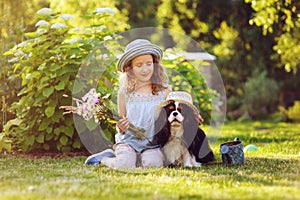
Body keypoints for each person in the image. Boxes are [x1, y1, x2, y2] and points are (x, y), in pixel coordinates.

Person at [85, 39, 171, 168]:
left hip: (152, 144)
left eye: (149, 63)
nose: (145, 69)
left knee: (154, 164)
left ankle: (139, 159)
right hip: (128, 142)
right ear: (130, 69)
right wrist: (121, 127)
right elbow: (121, 123)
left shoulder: (164, 91)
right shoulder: (124, 93)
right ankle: (105, 158)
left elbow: (176, 110)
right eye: (139, 65)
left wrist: (193, 114)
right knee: (124, 165)